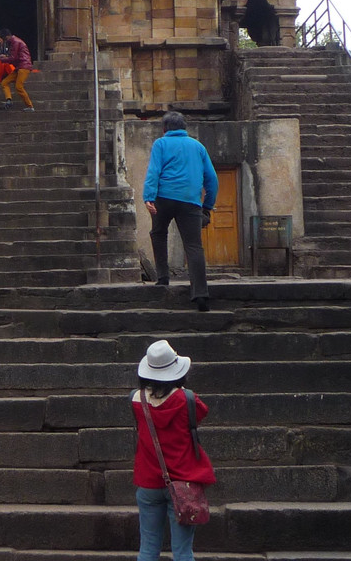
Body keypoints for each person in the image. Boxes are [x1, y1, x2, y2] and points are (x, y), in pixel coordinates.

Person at [132, 340, 216, 561]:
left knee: (148, 548)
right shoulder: (186, 399)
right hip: (183, 483)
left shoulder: (136, 399)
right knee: (182, 551)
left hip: (148, 481)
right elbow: (201, 413)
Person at [143, 111, 218, 311]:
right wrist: (207, 207)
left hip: (164, 198)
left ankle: (163, 277)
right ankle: (200, 294)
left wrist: (148, 197)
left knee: (158, 234)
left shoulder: (160, 144)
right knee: (194, 247)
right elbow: (212, 179)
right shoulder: (198, 146)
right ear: (185, 128)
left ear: (165, 129)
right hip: (191, 201)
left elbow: (154, 171)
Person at [0, 28, 34, 111]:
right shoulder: (14, 42)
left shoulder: (16, 42)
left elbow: (13, 58)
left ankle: (30, 106)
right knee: (4, 82)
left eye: (5, 38)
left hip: (24, 66)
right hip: (19, 67)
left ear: (7, 36)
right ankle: (9, 100)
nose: (5, 40)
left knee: (19, 87)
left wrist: (3, 59)